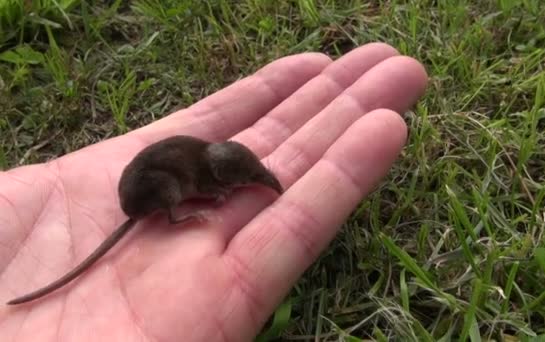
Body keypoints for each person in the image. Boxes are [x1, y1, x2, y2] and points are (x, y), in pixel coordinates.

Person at [0, 42, 427, 341]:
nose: (252, 183)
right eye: (244, 180)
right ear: (222, 176)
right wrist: (195, 209)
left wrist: (258, 179)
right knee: (172, 191)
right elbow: (200, 187)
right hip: (146, 195)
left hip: (151, 179)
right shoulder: (201, 174)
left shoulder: (209, 159)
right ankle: (173, 219)